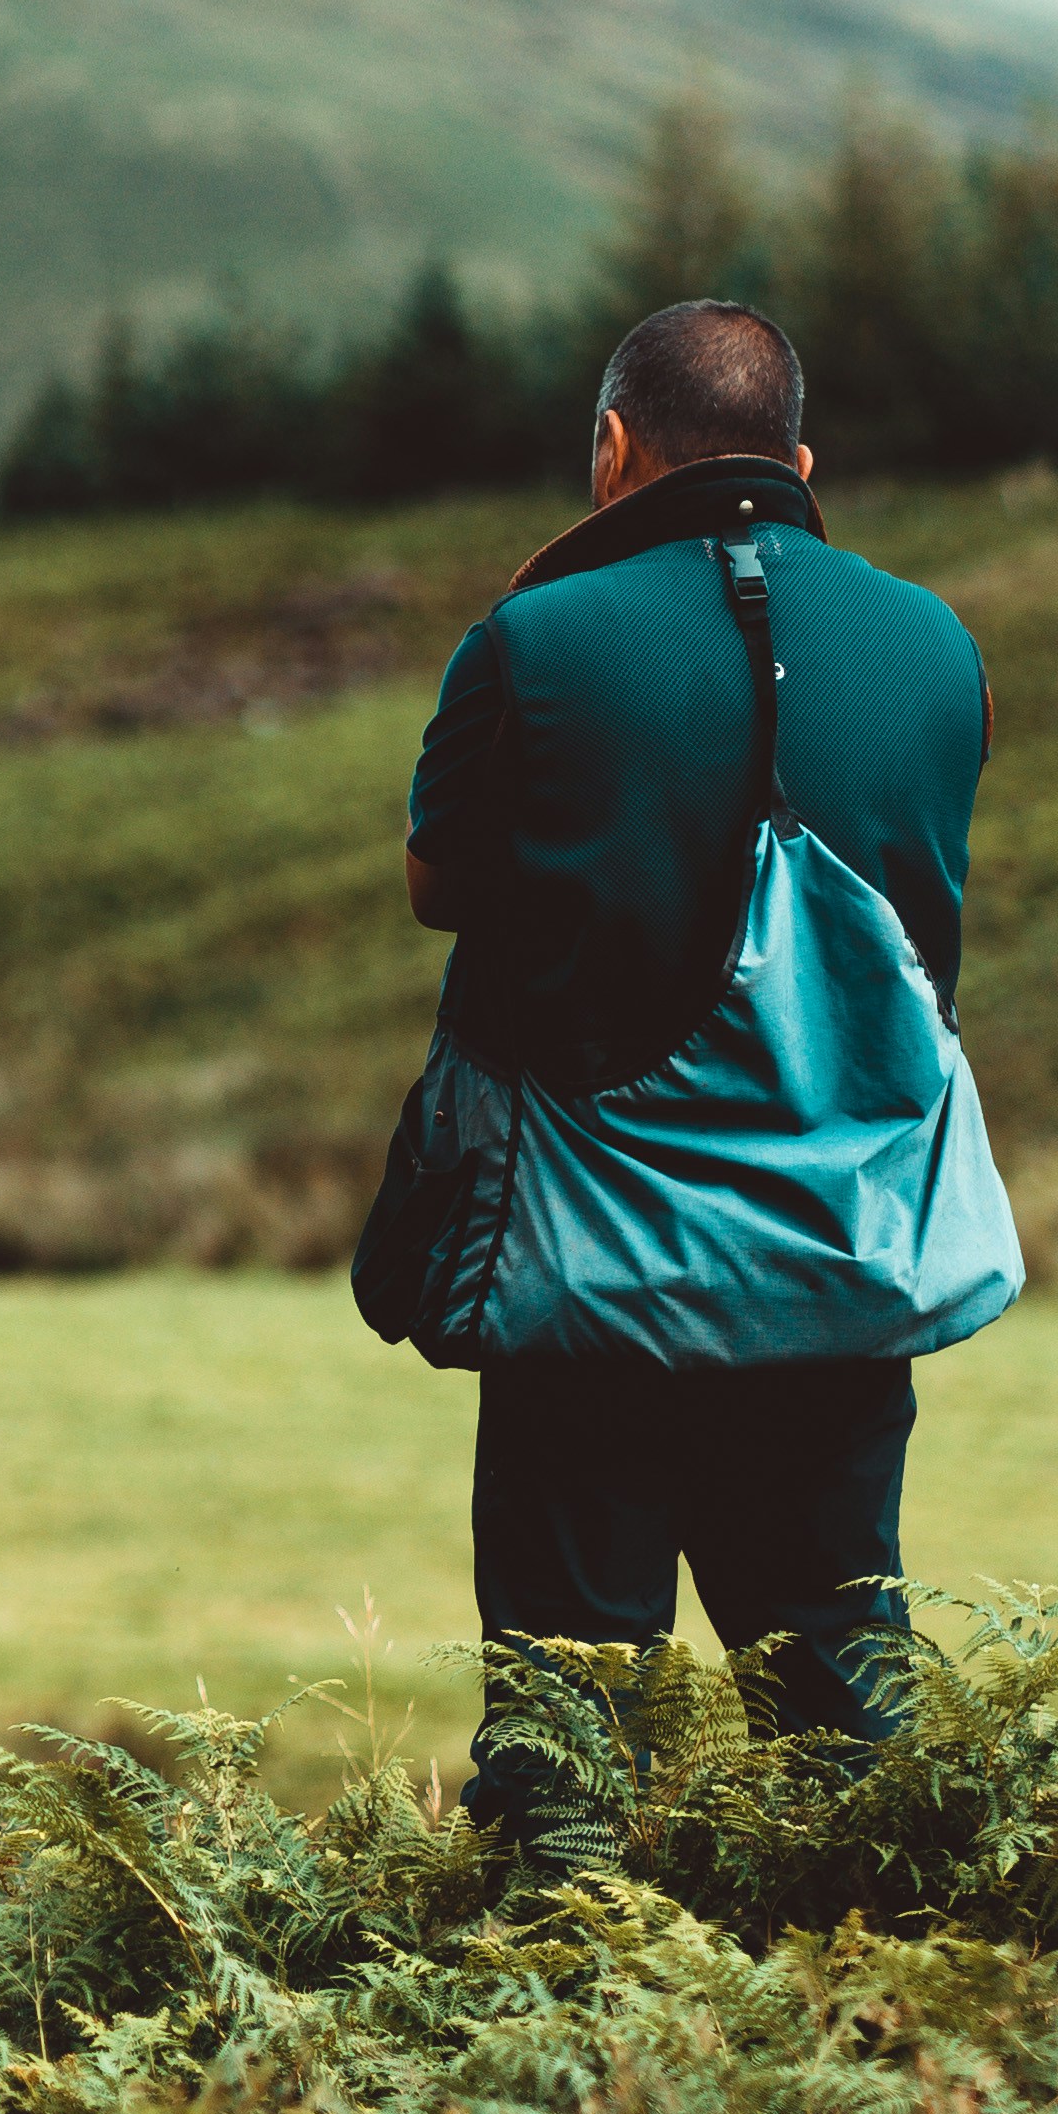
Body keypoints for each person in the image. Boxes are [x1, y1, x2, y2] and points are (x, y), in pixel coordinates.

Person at [379, 298, 1006, 1856]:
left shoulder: (533, 640)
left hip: (588, 1276)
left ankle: (569, 2044)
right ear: (800, 459)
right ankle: (872, 2030)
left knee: (567, 1728)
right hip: (837, 1260)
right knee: (848, 1710)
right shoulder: (934, 641)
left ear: (609, 446)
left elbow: (436, 879)